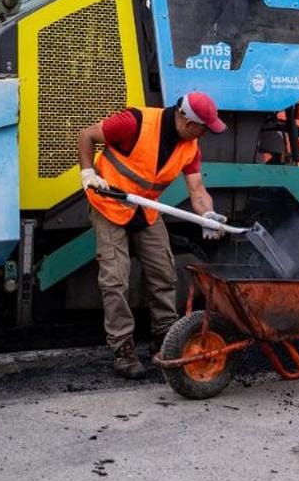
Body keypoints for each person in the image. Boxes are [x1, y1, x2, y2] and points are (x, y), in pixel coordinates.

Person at [78, 92, 228, 379]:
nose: (205, 133)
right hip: (109, 204)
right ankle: (123, 349)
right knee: (115, 279)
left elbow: (197, 191)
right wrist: (87, 174)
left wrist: (207, 215)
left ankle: (166, 339)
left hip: (145, 210)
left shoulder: (190, 146)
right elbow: (87, 135)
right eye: (203, 127)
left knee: (163, 274)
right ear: (185, 119)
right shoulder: (134, 122)